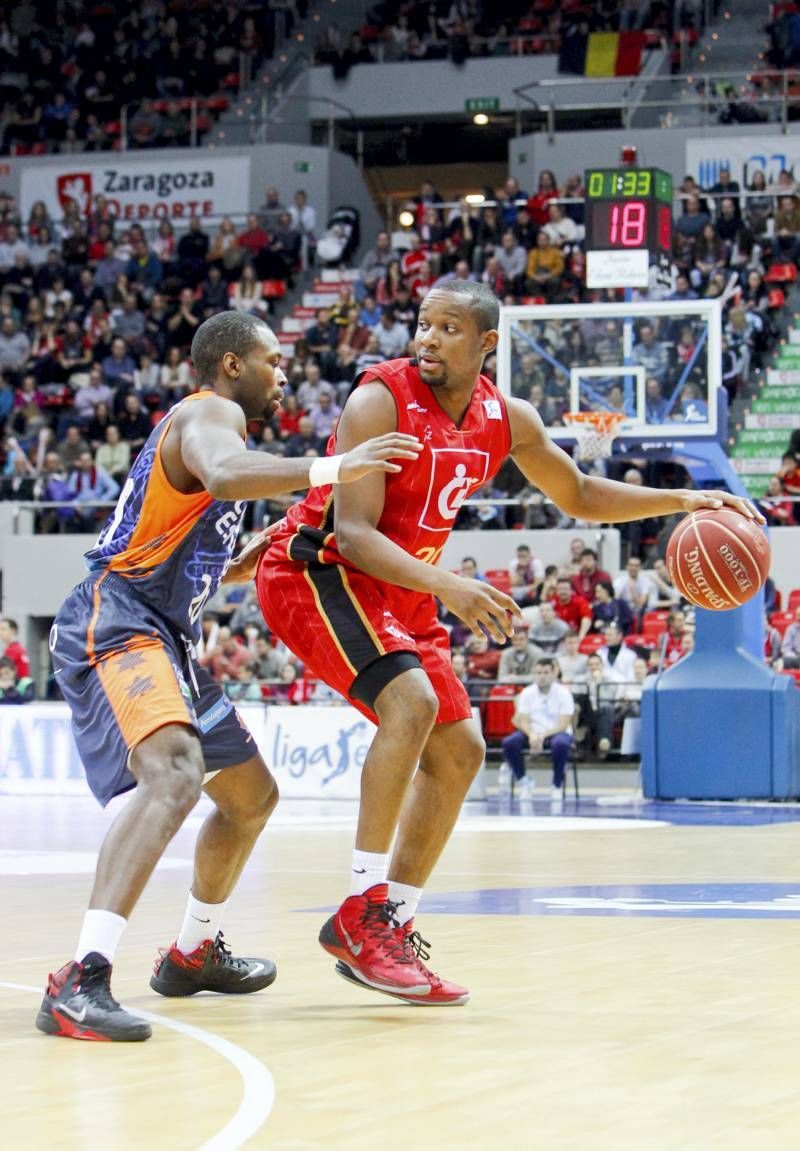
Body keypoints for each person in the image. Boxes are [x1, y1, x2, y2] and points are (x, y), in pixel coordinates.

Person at [254, 280, 758, 1007]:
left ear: (486, 344)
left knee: (461, 752)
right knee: (411, 705)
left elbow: (580, 492)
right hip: (319, 569)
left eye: (448, 328)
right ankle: (360, 909)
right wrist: (452, 586)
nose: (427, 338)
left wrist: (686, 499)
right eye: (423, 324)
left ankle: (388, 922)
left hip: (403, 587)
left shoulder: (505, 417)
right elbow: (355, 533)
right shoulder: (378, 400)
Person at [36, 311, 422, 1043]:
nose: (286, 374)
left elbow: (196, 508)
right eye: (274, 361)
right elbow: (218, 471)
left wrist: (233, 561)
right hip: (116, 616)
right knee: (176, 775)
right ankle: (79, 978)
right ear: (233, 366)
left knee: (249, 797)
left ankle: (192, 951)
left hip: (166, 634)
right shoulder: (210, 412)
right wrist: (334, 465)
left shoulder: (225, 437)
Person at [500, 658, 575, 802]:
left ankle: (556, 784)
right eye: (539, 672)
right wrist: (532, 735)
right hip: (532, 732)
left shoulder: (564, 693)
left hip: (556, 732)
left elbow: (564, 724)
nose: (542, 676)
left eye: (546, 672)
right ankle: (523, 781)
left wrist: (541, 736)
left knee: (561, 744)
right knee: (509, 743)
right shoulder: (527, 693)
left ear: (554, 673)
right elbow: (523, 719)